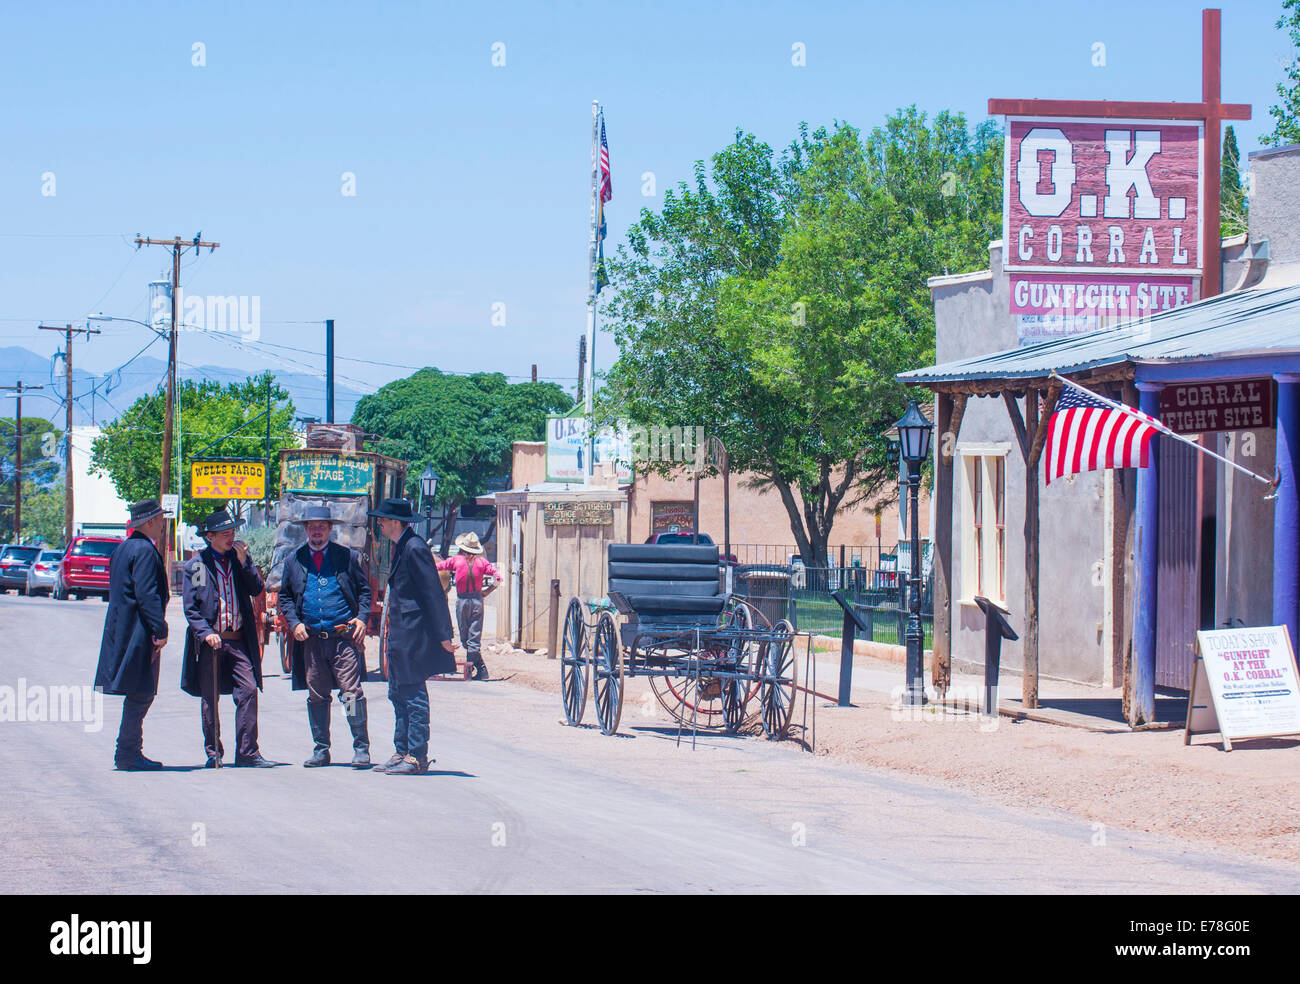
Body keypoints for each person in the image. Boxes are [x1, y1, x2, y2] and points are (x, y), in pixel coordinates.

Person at [278, 505, 373, 768]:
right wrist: (294, 622)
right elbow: (285, 597)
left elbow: (365, 592)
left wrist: (362, 619)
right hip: (311, 640)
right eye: (312, 526)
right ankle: (321, 749)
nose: (316, 531)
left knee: (351, 694)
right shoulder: (293, 561)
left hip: (343, 639)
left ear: (330, 529)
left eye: (321, 526)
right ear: (306, 530)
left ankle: (361, 747)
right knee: (317, 696)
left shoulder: (348, 558)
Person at [180, 508, 276, 768]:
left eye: (232, 532)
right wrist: (206, 633)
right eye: (224, 534)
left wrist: (246, 561)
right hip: (211, 640)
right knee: (210, 697)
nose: (230, 537)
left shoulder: (238, 559)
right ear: (210, 537)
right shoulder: (198, 566)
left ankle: (247, 752)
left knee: (248, 690)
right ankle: (214, 753)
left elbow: (256, 588)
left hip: (237, 638)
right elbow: (192, 608)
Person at [368, 497, 456, 775]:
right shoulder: (402, 546)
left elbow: (433, 593)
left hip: (414, 634)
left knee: (413, 693)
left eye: (382, 519)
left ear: (395, 522)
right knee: (397, 692)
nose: (379, 524)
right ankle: (402, 749)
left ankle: (417, 756)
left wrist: (444, 634)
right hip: (399, 633)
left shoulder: (415, 548)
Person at [93, 499, 170, 771]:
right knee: (141, 692)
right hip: (138, 632)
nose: (163, 525)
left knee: (139, 692)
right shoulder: (145, 551)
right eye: (160, 520)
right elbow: (147, 595)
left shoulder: (124, 549)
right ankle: (127, 753)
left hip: (122, 630)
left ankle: (128, 751)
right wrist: (159, 629)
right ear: (149, 522)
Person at [436, 532, 499, 680]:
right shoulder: (482, 563)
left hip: (462, 601)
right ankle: (480, 668)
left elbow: (439, 567)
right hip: (477, 600)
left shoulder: (455, 560)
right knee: (474, 635)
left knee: (465, 635)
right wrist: (487, 591)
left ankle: (474, 670)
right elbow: (498, 577)